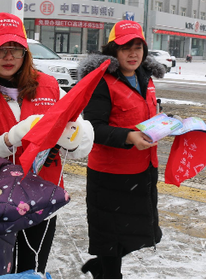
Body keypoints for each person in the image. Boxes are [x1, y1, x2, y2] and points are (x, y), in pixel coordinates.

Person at [0, 12, 95, 274]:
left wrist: (76, 137)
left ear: (26, 52)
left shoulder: (50, 87)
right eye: (0, 50)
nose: (9, 57)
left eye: (16, 49)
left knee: (33, 269)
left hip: (43, 197)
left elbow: (79, 136)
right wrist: (7, 140)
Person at [78, 20, 165, 280]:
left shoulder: (144, 78)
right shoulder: (102, 81)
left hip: (143, 169)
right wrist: (129, 136)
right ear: (114, 50)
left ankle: (102, 266)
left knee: (134, 232)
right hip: (111, 175)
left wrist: (166, 122)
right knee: (112, 237)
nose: (133, 53)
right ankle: (107, 271)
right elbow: (93, 127)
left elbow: (145, 114)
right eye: (126, 47)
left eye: (138, 47)